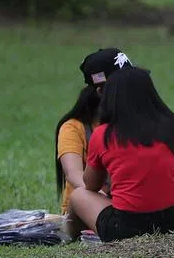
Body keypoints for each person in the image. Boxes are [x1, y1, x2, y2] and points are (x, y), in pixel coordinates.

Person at [65, 67, 174, 242]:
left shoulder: (103, 134)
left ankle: (70, 237)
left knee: (78, 195)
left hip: (125, 229)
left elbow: (90, 185)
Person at [54, 47, 132, 213]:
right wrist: (104, 195)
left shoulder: (133, 121)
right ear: (101, 90)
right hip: (88, 208)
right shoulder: (73, 128)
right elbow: (73, 173)